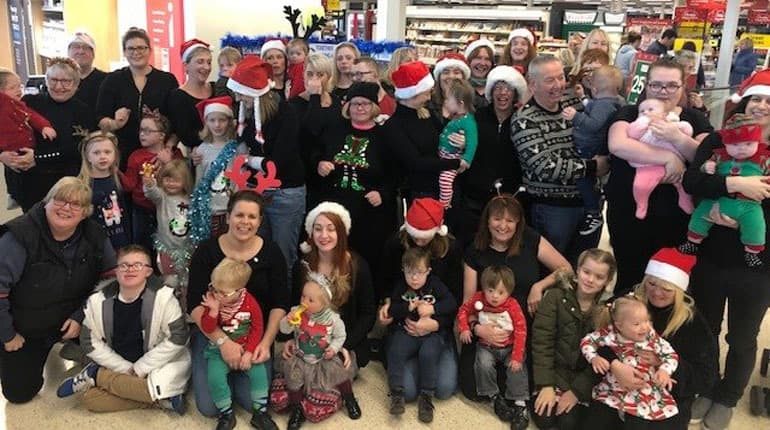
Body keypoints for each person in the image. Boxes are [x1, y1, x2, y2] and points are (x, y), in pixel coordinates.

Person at [681, 70, 770, 430]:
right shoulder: (718, 139)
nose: (762, 105)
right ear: (744, 103)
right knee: (706, 326)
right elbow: (693, 181)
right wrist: (736, 183)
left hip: (759, 264)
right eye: (757, 99)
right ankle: (705, 383)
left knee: (743, 335)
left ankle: (729, 395)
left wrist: (746, 212)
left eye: (769, 101)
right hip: (712, 257)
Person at [0, 176, 116, 403]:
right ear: (47, 202)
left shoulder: (95, 235)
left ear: (85, 212)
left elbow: (111, 281)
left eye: (76, 204)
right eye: (60, 201)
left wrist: (81, 315)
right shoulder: (18, 237)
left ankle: (77, 349)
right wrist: (8, 335)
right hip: (26, 327)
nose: (66, 208)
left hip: (74, 318)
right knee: (19, 393)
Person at [606, 57, 712, 296]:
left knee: (670, 286)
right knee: (629, 280)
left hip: (676, 219)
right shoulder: (631, 112)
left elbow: (704, 156)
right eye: (656, 85)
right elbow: (618, 144)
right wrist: (668, 157)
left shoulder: (695, 119)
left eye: (672, 85)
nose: (663, 92)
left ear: (683, 86)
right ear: (646, 85)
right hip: (629, 214)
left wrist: (677, 138)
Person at [187, 190, 289, 418]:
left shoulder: (272, 252)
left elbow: (280, 303)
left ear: (260, 220)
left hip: (254, 334)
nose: (245, 222)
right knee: (210, 408)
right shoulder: (206, 251)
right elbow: (193, 304)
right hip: (213, 332)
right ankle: (210, 363)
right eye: (239, 215)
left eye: (252, 217)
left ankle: (230, 374)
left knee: (248, 400)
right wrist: (223, 343)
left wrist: (265, 342)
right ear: (228, 216)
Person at [55, 245, 190, 414]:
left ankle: (96, 375)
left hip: (156, 365)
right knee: (92, 400)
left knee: (101, 397)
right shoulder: (97, 301)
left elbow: (178, 337)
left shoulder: (164, 298)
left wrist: (142, 367)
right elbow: (88, 341)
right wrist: (125, 368)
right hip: (119, 366)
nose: (130, 269)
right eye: (124, 265)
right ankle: (163, 400)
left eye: (138, 265)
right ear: (117, 272)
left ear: (148, 271)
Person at [460, 194, 570, 400]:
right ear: (487, 220)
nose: (503, 226)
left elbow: (566, 269)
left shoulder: (530, 238)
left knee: (522, 385)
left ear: (518, 222)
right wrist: (478, 329)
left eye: (510, 220)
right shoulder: (475, 249)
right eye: (497, 219)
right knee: (471, 387)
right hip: (486, 321)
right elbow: (468, 302)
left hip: (522, 325)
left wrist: (539, 286)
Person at [598, 247, 718, 429]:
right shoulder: (629, 300)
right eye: (652, 284)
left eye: (666, 289)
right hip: (616, 381)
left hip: (667, 393)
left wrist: (663, 365)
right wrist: (615, 365)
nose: (656, 293)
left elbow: (706, 377)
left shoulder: (693, 323)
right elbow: (597, 336)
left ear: (679, 290)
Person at [512, 55, 609, 259]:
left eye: (560, 77)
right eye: (550, 80)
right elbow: (545, 167)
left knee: (583, 267)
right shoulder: (525, 119)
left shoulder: (573, 103)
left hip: (589, 203)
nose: (558, 85)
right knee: (555, 270)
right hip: (553, 209)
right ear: (533, 84)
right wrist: (593, 167)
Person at [226, 55, 306, 275]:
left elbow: (280, 161)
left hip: (285, 193)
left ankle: (284, 306)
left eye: (242, 93)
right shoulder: (249, 113)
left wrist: (249, 161)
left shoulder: (286, 113)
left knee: (283, 257)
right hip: (256, 192)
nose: (239, 98)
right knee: (255, 254)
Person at [314, 82, 396, 278]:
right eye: (355, 103)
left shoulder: (384, 136)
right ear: (347, 107)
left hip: (368, 212)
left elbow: (395, 172)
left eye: (365, 104)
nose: (360, 108)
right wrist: (320, 163)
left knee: (364, 262)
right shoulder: (334, 129)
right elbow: (315, 153)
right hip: (335, 206)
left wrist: (383, 193)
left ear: (374, 107)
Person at [531, 248, 616, 430]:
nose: (590, 279)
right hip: (553, 371)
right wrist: (546, 384)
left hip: (583, 378)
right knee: (544, 419)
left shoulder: (608, 311)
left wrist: (577, 392)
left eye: (599, 277)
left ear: (607, 281)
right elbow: (542, 341)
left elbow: (604, 356)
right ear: (577, 270)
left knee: (568, 423)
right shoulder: (554, 297)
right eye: (586, 272)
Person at [288, 202, 376, 369]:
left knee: (330, 375)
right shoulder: (302, 266)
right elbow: (294, 305)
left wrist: (342, 345)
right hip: (308, 336)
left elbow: (368, 313)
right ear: (311, 232)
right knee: (291, 370)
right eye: (318, 229)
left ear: (341, 232)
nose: (324, 235)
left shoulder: (358, 266)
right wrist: (292, 338)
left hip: (344, 337)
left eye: (331, 229)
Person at [450, 66, 527, 248]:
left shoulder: (523, 120)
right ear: (490, 92)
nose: (503, 93)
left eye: (508, 88)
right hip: (474, 197)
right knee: (470, 244)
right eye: (498, 87)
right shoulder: (475, 118)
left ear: (515, 93)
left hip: (509, 198)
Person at [8, 57, 97, 212]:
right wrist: (3, 155)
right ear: (46, 80)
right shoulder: (29, 103)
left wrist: (38, 158)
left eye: (66, 81)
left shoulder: (84, 112)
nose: (59, 86)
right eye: (53, 80)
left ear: (76, 84)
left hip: (68, 184)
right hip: (30, 184)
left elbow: (79, 149)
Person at [680, 116, 769, 267]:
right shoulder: (719, 154)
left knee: (756, 226)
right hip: (717, 201)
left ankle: (752, 253)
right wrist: (707, 167)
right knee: (699, 216)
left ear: (757, 142)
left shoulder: (763, 159)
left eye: (748, 144)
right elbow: (693, 179)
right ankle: (693, 242)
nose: (742, 148)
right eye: (735, 144)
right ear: (726, 144)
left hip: (749, 205)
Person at [200, 258, 276, 430]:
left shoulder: (250, 303)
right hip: (218, 350)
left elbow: (257, 328)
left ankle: (260, 412)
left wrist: (249, 352)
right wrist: (212, 312)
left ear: (240, 290)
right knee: (215, 378)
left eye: (223, 293)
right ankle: (226, 414)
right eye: (214, 288)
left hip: (245, 348)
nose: (218, 295)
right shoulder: (213, 300)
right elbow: (207, 328)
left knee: (259, 374)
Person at [581, 296, 680, 427]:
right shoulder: (609, 333)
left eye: (646, 321)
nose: (644, 327)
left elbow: (670, 354)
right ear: (619, 325)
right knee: (596, 420)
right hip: (612, 388)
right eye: (636, 324)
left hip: (643, 390)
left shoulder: (651, 336)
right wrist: (593, 357)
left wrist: (664, 370)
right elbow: (587, 341)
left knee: (639, 423)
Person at [278, 272, 359, 429]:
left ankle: (349, 398)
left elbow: (341, 336)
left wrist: (334, 348)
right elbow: (284, 330)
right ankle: (297, 410)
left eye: (310, 300)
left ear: (324, 304)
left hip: (323, 358)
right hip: (300, 357)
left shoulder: (333, 319)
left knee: (339, 374)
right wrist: (287, 321)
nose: (304, 302)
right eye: (303, 296)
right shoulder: (297, 312)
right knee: (293, 378)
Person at [386, 247, 457, 424]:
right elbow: (392, 310)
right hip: (407, 332)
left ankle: (426, 398)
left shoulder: (435, 284)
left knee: (429, 354)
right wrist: (406, 308)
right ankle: (397, 394)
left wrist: (434, 309)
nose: (414, 278)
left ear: (428, 271)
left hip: (432, 334)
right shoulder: (401, 286)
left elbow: (451, 303)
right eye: (409, 272)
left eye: (419, 272)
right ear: (403, 270)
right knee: (395, 350)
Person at [457, 265, 529, 429]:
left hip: (510, 347)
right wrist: (465, 328)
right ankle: (494, 397)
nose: (495, 296)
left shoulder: (513, 305)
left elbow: (521, 330)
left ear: (509, 292)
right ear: (484, 288)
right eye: (490, 291)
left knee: (517, 368)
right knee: (482, 364)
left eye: (501, 292)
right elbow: (463, 310)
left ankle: (520, 404)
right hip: (486, 346)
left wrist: (517, 357)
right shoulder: (478, 299)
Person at [96, 27, 178, 170]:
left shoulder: (167, 80)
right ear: (124, 52)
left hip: (159, 155)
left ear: (150, 50)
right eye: (131, 48)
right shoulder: (113, 80)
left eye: (141, 48)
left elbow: (177, 121)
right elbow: (100, 119)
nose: (136, 52)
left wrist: (168, 147)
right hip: (123, 154)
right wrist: (115, 124)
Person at [382, 61, 462, 200]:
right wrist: (456, 163)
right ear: (413, 94)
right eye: (426, 94)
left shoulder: (427, 114)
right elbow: (415, 162)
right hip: (417, 193)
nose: (429, 97)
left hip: (440, 187)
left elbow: (445, 134)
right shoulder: (393, 125)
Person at [561, 65, 625, 236]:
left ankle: (593, 212)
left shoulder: (603, 105)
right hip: (598, 148)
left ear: (595, 89)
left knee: (583, 180)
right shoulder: (616, 102)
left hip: (589, 149)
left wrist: (576, 116)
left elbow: (593, 124)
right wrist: (584, 100)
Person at [189, 96, 248, 243]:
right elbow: (199, 180)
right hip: (209, 210)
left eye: (222, 120)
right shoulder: (202, 149)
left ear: (229, 121)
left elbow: (241, 178)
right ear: (206, 122)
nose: (217, 125)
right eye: (212, 120)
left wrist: (237, 202)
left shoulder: (238, 148)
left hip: (231, 208)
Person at [625, 98, 695, 220]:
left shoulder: (671, 124)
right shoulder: (640, 127)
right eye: (642, 111)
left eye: (650, 110)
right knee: (640, 186)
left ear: (664, 114)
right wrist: (642, 123)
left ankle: (685, 201)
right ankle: (641, 204)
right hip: (648, 165)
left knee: (684, 183)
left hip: (677, 165)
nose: (646, 112)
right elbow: (631, 133)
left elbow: (687, 131)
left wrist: (680, 128)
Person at [288, 53, 341, 210]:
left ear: (328, 77)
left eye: (320, 75)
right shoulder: (294, 105)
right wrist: (315, 98)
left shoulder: (336, 101)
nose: (314, 80)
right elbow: (311, 130)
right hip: (307, 171)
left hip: (332, 170)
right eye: (310, 74)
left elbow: (338, 134)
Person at [123, 110, 180, 251]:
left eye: (148, 131)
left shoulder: (175, 155)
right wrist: (115, 171)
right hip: (141, 209)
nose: (142, 134)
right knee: (142, 245)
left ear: (161, 135)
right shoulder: (136, 156)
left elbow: (182, 181)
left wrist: (168, 163)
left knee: (167, 242)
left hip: (168, 207)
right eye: (141, 130)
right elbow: (129, 185)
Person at [0, 68, 55, 209]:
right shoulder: (6, 104)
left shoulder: (19, 104)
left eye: (19, 86)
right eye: (12, 87)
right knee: (16, 172)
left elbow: (31, 115)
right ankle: (14, 194)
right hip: (10, 148)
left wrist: (44, 126)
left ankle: (16, 195)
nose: (18, 90)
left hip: (27, 147)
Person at [142, 159, 194, 303]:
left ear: (185, 181)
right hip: (167, 247)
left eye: (176, 180)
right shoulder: (162, 197)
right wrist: (150, 184)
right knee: (169, 279)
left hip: (187, 247)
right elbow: (152, 193)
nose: (171, 183)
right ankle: (169, 305)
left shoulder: (190, 199)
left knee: (187, 279)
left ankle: (186, 306)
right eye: (167, 179)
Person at [77, 130, 131, 250]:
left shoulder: (118, 179)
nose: (102, 157)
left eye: (107, 152)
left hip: (121, 241)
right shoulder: (82, 184)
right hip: (96, 245)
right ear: (87, 157)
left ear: (115, 154)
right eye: (96, 153)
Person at [165, 39, 216, 148]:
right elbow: (187, 137)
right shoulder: (177, 97)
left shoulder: (217, 89)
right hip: (200, 158)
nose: (206, 67)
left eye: (209, 62)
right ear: (185, 66)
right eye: (200, 61)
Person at [438, 79, 477, 208]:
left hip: (452, 158)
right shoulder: (455, 117)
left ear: (460, 103)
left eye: (448, 100)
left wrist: (466, 160)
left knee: (445, 181)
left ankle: (444, 204)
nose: (445, 102)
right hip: (443, 156)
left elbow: (473, 142)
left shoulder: (468, 122)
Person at [68, 31, 107, 110]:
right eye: (76, 47)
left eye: (86, 47)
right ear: (68, 52)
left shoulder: (106, 80)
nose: (81, 51)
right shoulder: (60, 80)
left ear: (93, 54)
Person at [464, 38, 496, 109]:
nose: (482, 63)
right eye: (478, 58)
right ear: (469, 61)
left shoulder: (495, 88)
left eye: (487, 59)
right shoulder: (460, 87)